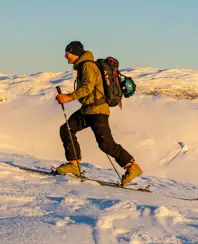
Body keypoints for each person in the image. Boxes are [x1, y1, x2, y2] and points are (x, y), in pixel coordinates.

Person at [55, 41, 143, 186]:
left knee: (106, 144)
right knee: (67, 129)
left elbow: (88, 87)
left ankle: (132, 167)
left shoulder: (88, 66)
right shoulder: (84, 66)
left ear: (75, 53)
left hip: (97, 110)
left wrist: (69, 97)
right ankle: (74, 165)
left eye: (67, 53)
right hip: (88, 109)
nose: (65, 56)